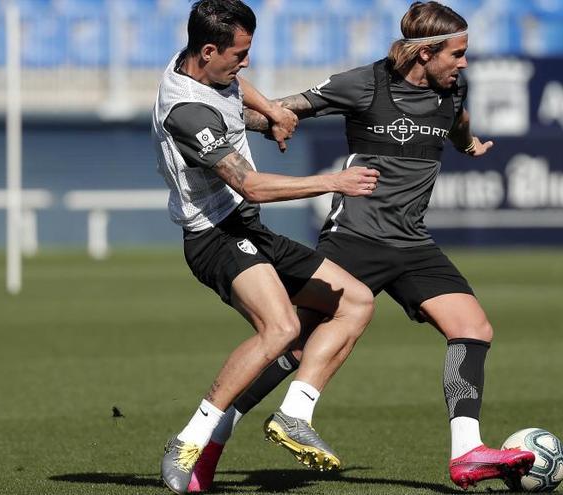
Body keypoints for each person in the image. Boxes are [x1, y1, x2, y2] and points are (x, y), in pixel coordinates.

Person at [187, 1, 535, 492]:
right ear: (424, 53)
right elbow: (288, 108)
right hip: (354, 240)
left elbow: (456, 121)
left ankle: (467, 453)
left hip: (412, 243)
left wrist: (469, 144)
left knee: (473, 328)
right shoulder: (365, 83)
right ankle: (207, 447)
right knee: (289, 345)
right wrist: (264, 118)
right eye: (456, 54)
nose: (463, 64)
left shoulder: (450, 91)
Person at [151, 1, 382, 493]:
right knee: (280, 328)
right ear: (209, 50)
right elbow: (251, 185)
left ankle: (294, 415)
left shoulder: (199, 62)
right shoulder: (186, 112)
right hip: (214, 235)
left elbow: (235, 91)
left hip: (248, 229)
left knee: (356, 302)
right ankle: (189, 439)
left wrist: (271, 110)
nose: (246, 63)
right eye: (240, 53)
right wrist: (332, 181)